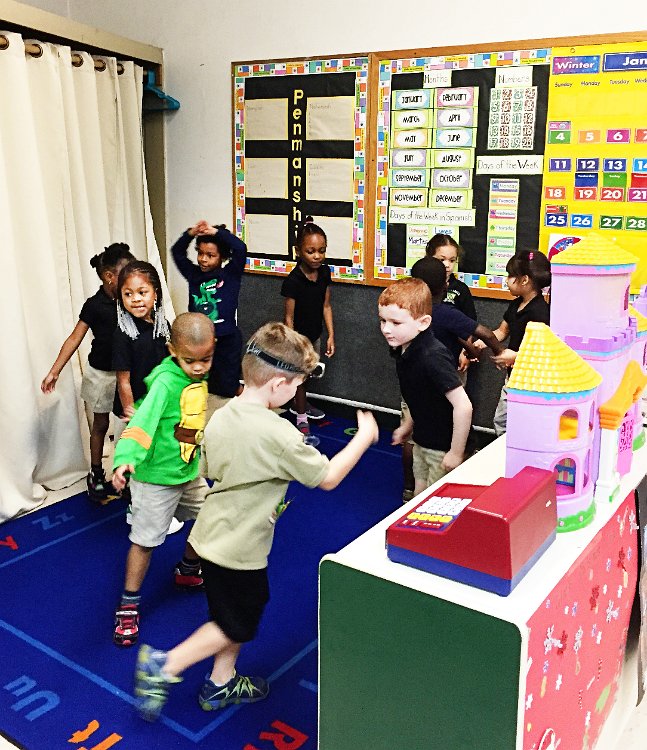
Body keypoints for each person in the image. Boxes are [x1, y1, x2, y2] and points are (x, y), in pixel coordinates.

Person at [131, 322, 378, 721]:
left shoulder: (220, 414)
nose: (296, 391)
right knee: (237, 623)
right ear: (279, 384)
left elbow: (208, 467)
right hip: (239, 549)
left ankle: (221, 681)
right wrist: (364, 436)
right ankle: (165, 664)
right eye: (296, 385)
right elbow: (328, 477)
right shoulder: (280, 433)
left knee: (229, 613)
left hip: (211, 537)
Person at [110, 312, 216, 647]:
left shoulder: (197, 376)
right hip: (155, 478)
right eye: (190, 361)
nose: (198, 368)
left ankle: (188, 569)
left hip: (187, 471)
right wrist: (125, 459)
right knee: (145, 541)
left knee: (212, 516)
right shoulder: (165, 383)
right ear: (172, 351)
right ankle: (128, 604)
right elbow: (141, 423)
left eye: (205, 360)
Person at [41, 243, 134, 502]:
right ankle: (96, 474)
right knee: (100, 425)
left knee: (128, 425)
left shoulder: (132, 300)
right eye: (126, 273)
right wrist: (54, 371)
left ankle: (126, 473)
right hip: (101, 374)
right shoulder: (94, 305)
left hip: (126, 374)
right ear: (109, 276)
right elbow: (74, 338)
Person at [379, 278, 472, 496]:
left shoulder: (432, 356)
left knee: (434, 501)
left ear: (423, 323)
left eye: (396, 323)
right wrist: (408, 426)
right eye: (383, 321)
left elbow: (464, 406)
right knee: (419, 492)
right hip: (422, 439)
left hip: (443, 446)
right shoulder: (403, 349)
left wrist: (456, 452)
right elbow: (419, 395)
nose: (386, 329)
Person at [171, 220, 246, 404]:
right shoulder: (193, 274)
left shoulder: (231, 274)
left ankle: (247, 404)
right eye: (200, 253)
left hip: (227, 339)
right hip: (200, 340)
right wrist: (190, 233)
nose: (203, 259)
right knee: (202, 381)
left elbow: (240, 248)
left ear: (222, 256)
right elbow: (177, 252)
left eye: (210, 255)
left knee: (229, 384)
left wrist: (216, 232)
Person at [485, 250, 551, 437]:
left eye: (510, 276)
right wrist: (482, 342)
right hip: (512, 378)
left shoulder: (540, 312)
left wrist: (515, 357)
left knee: (517, 425)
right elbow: (501, 331)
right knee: (501, 421)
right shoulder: (515, 304)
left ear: (524, 280)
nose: (506, 280)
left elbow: (544, 352)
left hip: (531, 382)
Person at [281, 217, 334, 446]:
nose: (317, 256)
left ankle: (298, 404)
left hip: (315, 335)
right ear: (298, 251)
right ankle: (301, 417)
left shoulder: (324, 273)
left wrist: (331, 334)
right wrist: (294, 344)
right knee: (300, 378)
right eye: (311, 251)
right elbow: (288, 317)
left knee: (309, 374)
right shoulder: (293, 281)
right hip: (298, 339)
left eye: (321, 251)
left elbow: (326, 306)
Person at [112, 260, 170, 422]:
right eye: (128, 294)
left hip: (157, 403)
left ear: (155, 294)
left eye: (142, 292)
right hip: (136, 408)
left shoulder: (163, 326)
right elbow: (123, 381)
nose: (135, 299)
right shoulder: (123, 334)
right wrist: (132, 415)